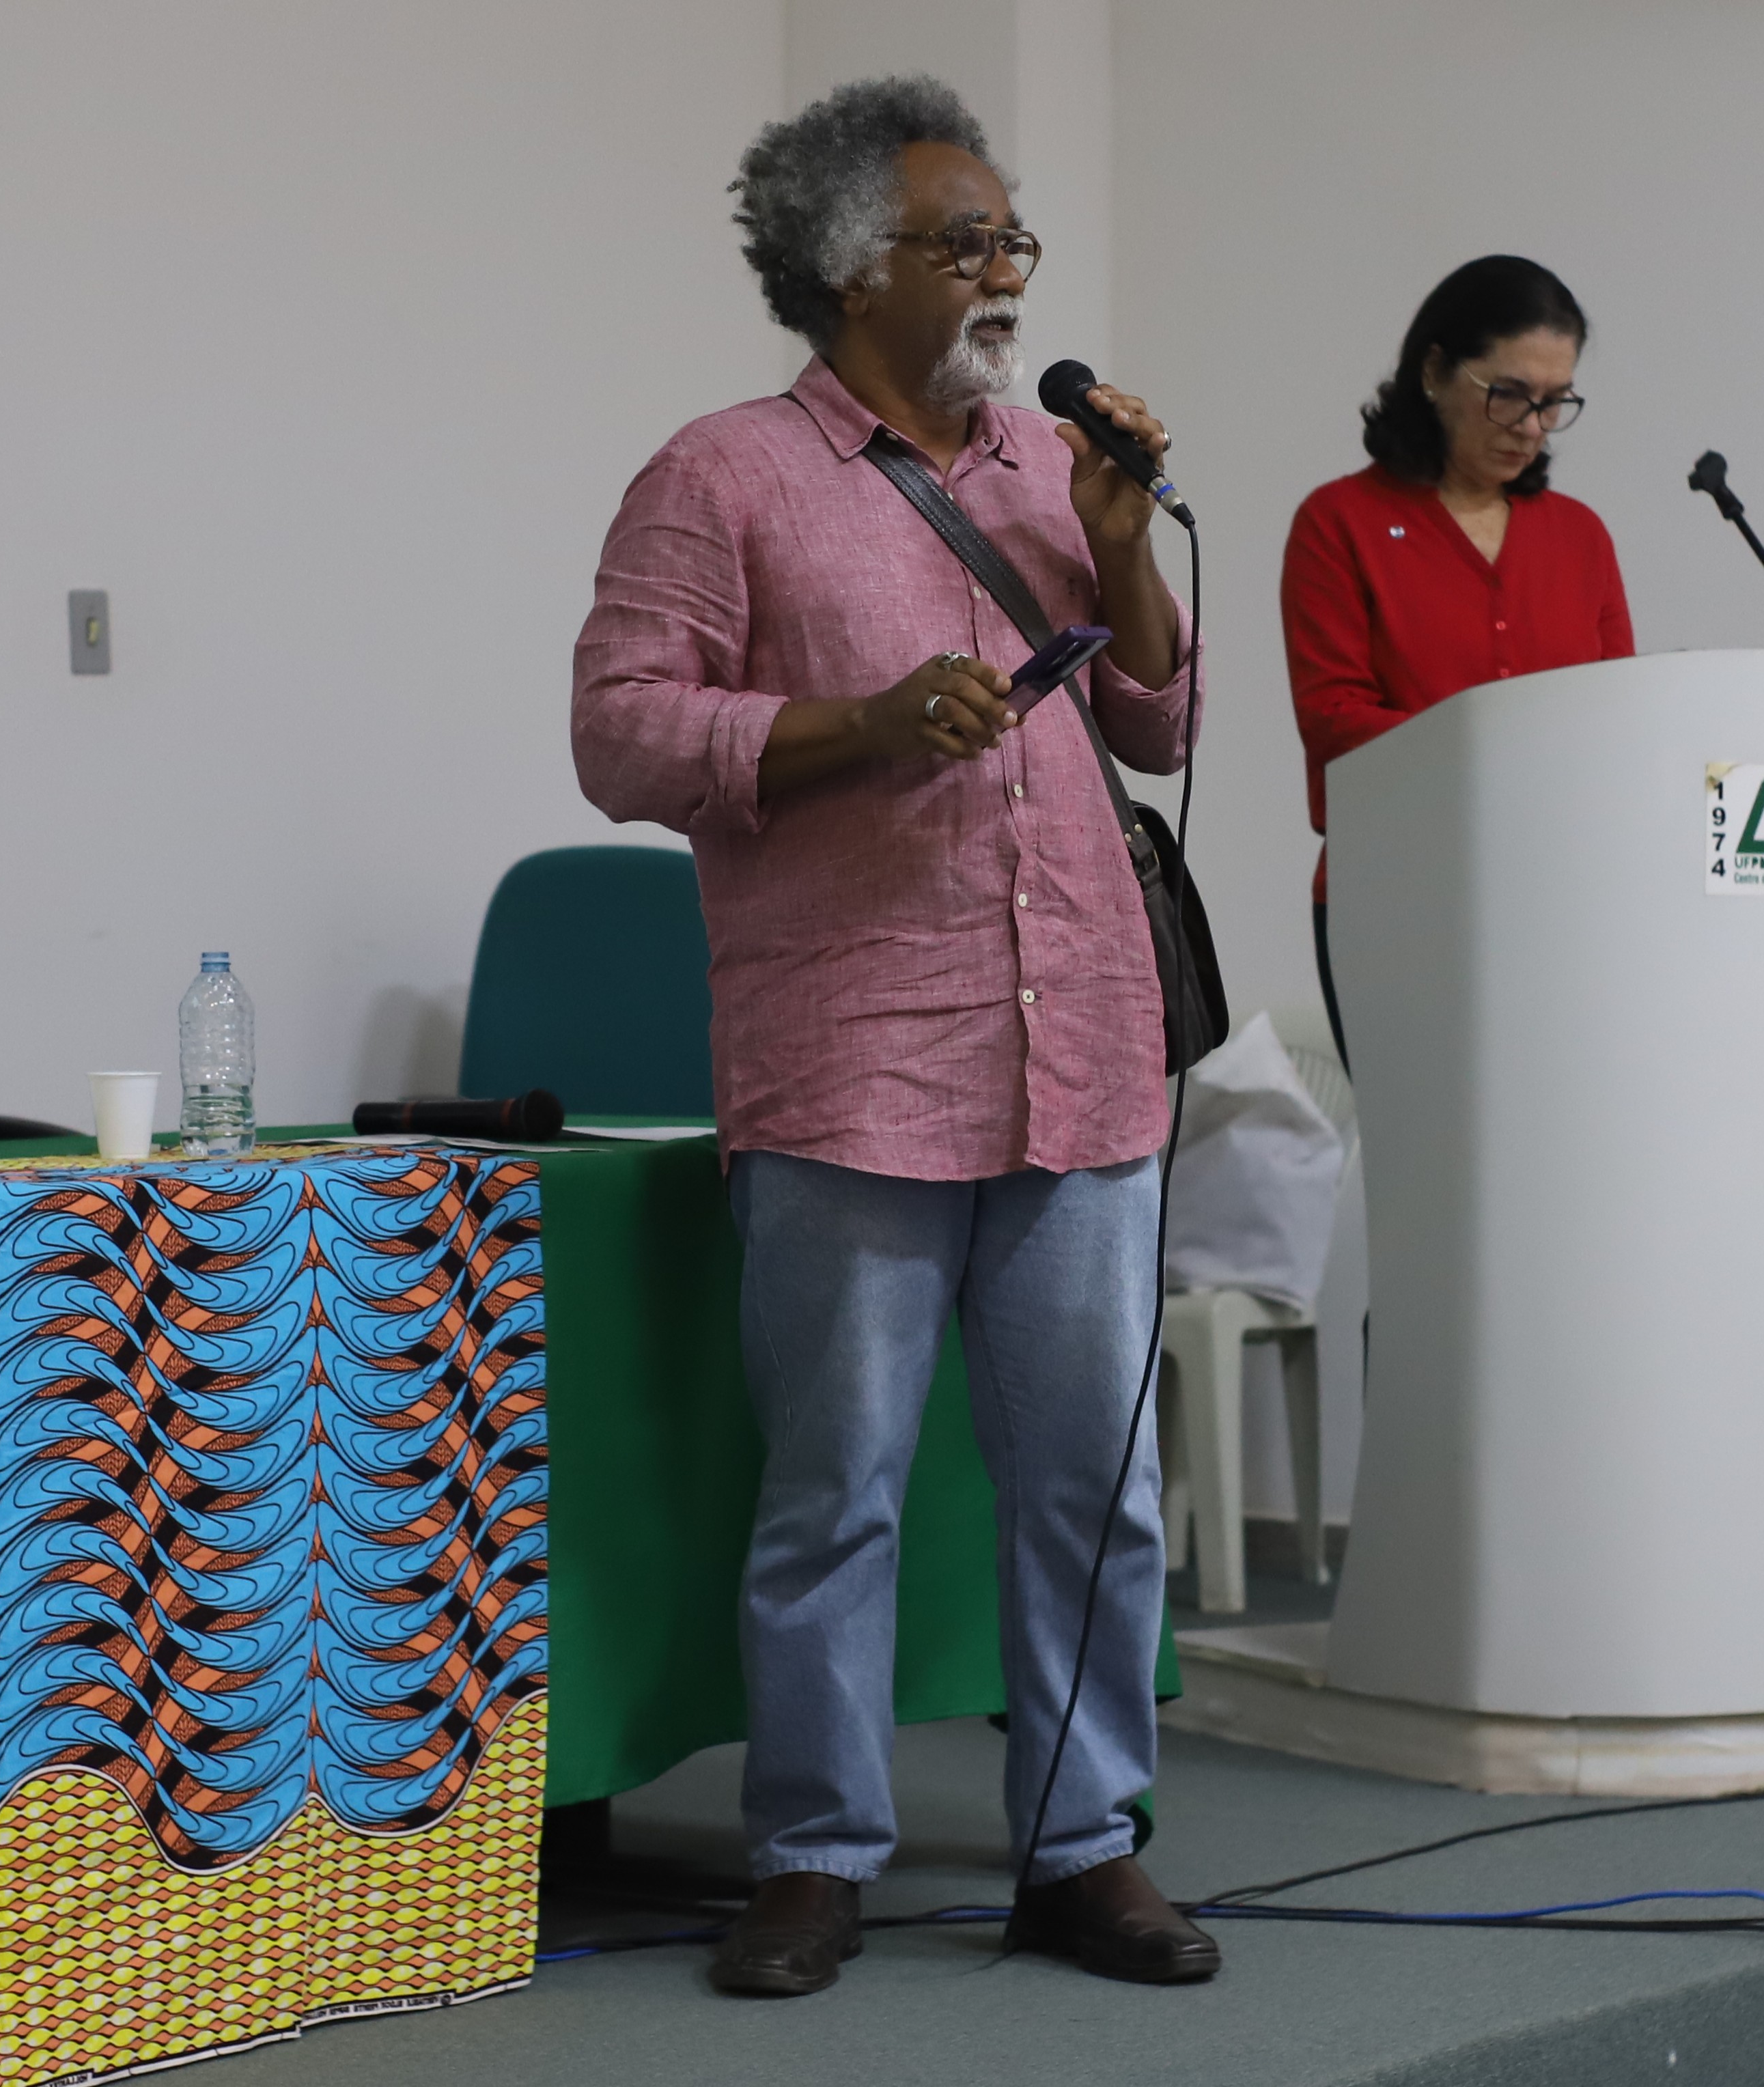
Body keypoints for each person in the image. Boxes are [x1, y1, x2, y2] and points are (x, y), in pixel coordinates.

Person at [570, 76, 1215, 1995]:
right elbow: (617, 729)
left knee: (1093, 1486)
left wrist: (1119, 545)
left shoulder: (1046, 466)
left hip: (1080, 1045)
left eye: (1016, 239)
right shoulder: (720, 475)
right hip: (855, 1061)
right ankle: (812, 1852)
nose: (1007, 273)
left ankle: (1082, 1846)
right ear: (853, 267)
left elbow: (1160, 724)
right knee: (834, 1489)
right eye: (968, 241)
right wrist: (853, 726)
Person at [1283, 255, 1632, 1058]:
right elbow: (1336, 721)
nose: (1533, 426)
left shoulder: (1580, 537)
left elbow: (1617, 723)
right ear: (1435, 371)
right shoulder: (1341, 523)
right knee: (1423, 1133)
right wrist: (1513, 749)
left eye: (1555, 402)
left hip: (1565, 901)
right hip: (1399, 898)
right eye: (1510, 394)